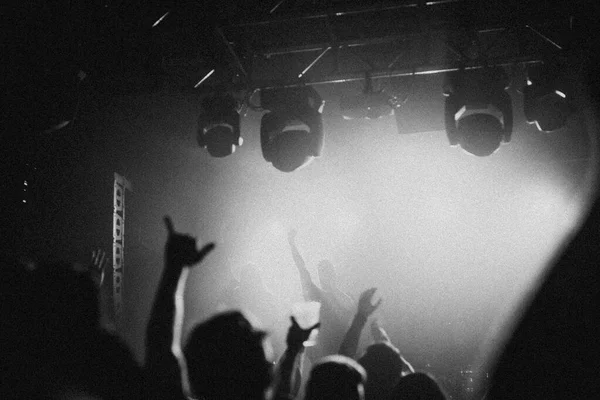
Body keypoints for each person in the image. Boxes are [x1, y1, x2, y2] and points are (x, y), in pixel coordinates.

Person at [287, 229, 354, 360]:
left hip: (343, 351)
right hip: (322, 354)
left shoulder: (343, 297)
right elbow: (301, 268)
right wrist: (292, 245)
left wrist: (333, 289)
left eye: (328, 271)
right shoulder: (315, 293)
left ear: (334, 274)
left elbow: (351, 308)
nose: (325, 275)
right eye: (322, 271)